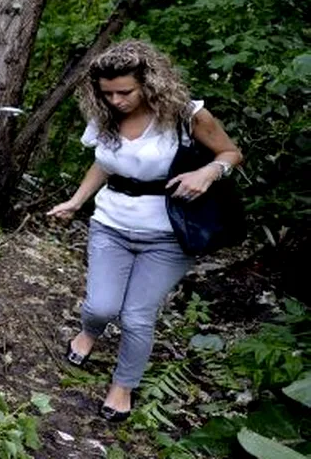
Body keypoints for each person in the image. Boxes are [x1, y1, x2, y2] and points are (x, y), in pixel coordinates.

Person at [46, 40, 242, 422]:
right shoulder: (104, 116)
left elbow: (231, 153)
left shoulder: (187, 116)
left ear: (149, 83)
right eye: (107, 93)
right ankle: (88, 334)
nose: (116, 100)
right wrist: (76, 201)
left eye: (125, 92)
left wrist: (208, 171)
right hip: (111, 225)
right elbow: (105, 165)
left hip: (169, 233)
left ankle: (123, 386)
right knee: (101, 306)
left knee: (136, 316)